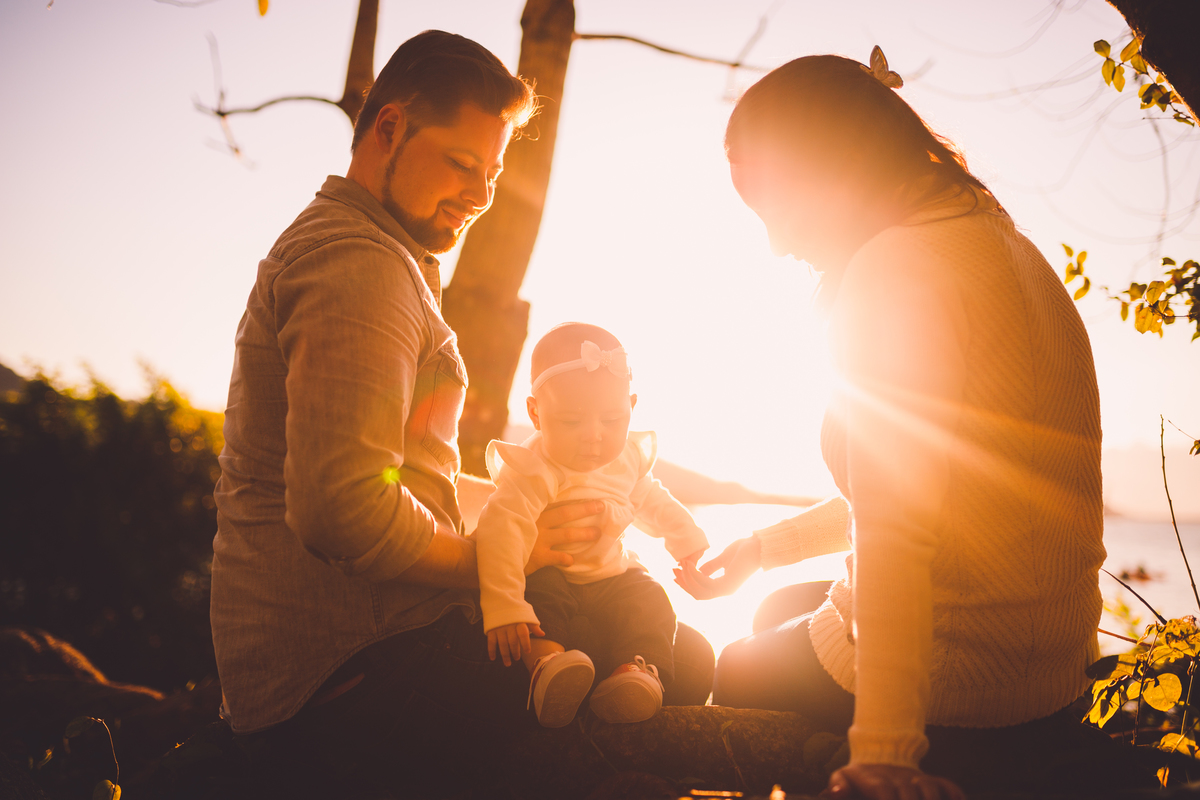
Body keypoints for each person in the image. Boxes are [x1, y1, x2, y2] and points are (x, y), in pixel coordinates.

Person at [208, 31, 713, 794]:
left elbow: (407, 479)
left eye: (494, 172)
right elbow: (343, 511)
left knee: (672, 651)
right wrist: (505, 558)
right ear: (388, 129)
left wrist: (530, 513)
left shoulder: (382, 257)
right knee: (660, 713)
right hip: (350, 677)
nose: (481, 193)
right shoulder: (361, 266)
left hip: (352, 656)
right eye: (461, 164)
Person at [676, 48, 1120, 798]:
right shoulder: (1013, 250)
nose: (777, 243)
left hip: (961, 692)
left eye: (773, 209)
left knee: (738, 666)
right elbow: (941, 488)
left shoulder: (896, 270)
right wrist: (763, 547)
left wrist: (885, 754)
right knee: (785, 604)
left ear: (825, 171)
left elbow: (896, 533)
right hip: (1053, 678)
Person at [476, 323, 709, 727]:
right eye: (570, 422)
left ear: (632, 406)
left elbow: (651, 500)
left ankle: (634, 673)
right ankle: (547, 668)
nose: (594, 437)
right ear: (535, 413)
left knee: (650, 599)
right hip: (552, 573)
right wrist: (503, 603)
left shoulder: (627, 460)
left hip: (611, 577)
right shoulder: (534, 469)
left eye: (613, 419)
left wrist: (686, 538)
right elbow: (501, 531)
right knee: (541, 599)